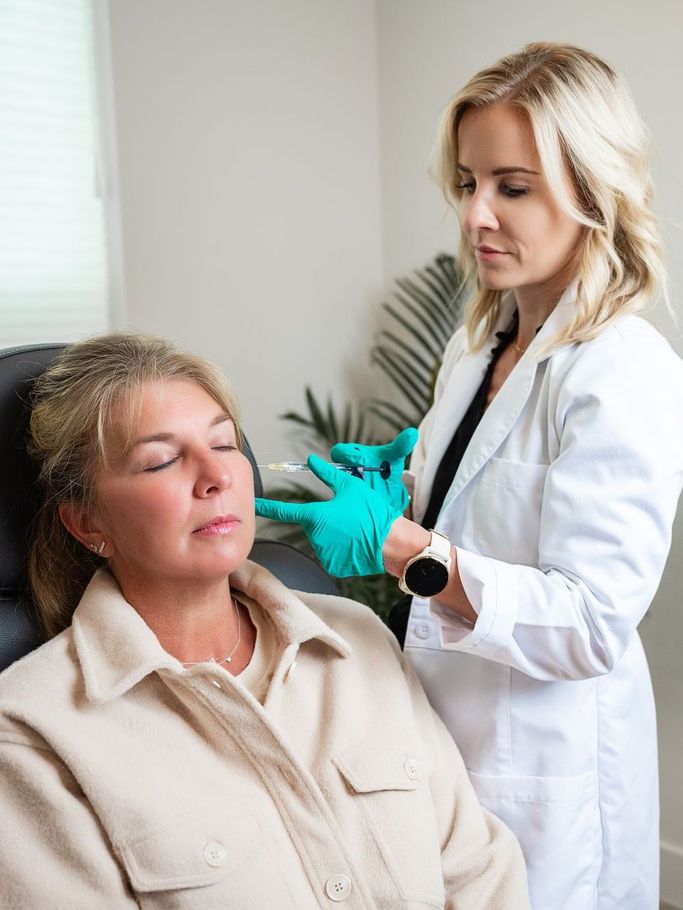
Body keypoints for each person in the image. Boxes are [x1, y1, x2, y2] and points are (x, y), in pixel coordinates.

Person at [255, 42, 683, 910]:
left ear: (591, 191)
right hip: (456, 741)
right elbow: (490, 510)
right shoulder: (477, 345)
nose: (476, 214)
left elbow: (591, 623)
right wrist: (414, 478)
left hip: (550, 770)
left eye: (511, 186)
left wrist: (405, 548)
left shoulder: (620, 369)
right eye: (465, 183)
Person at [0, 333, 530, 909]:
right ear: (86, 523)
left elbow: (479, 874)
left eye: (225, 445)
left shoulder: (358, 640)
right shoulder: (32, 731)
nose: (216, 476)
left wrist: (407, 545)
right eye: (162, 460)